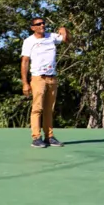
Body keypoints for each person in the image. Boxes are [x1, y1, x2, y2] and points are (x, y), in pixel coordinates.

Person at [21, 17, 69, 148]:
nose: (42, 25)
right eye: (38, 24)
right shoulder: (29, 41)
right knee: (37, 108)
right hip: (38, 78)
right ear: (33, 28)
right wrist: (25, 83)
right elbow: (25, 61)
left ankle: (49, 137)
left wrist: (64, 30)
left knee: (49, 109)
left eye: (43, 23)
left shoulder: (51, 37)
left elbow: (65, 40)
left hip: (52, 78)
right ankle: (36, 138)